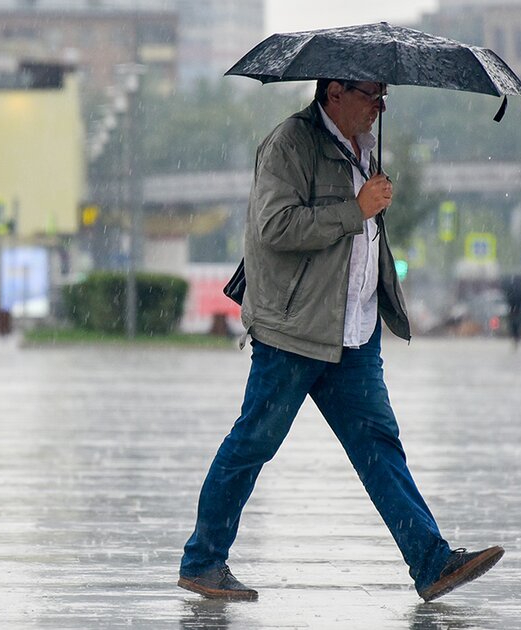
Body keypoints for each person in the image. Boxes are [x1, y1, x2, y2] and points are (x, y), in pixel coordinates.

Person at [178, 78, 504, 602]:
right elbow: (274, 227)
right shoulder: (289, 144)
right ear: (334, 92)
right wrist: (355, 209)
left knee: (380, 448)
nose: (380, 104)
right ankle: (202, 562)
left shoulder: (365, 150)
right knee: (252, 444)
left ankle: (431, 563)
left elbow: (363, 239)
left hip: (355, 332)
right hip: (295, 331)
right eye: (371, 93)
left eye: (383, 95)